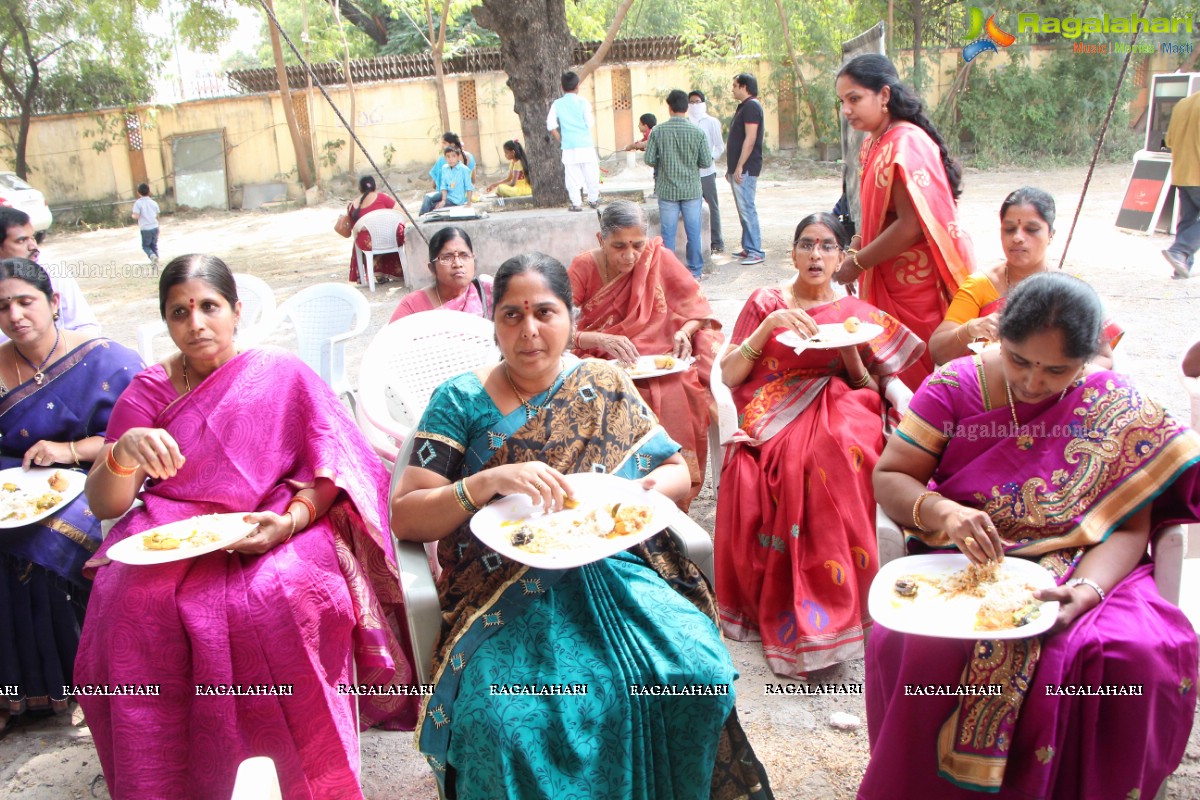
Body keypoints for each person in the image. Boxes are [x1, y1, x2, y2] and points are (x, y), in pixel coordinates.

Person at [391, 252, 773, 800]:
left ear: (571, 319)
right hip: (498, 588)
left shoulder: (603, 381)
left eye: (545, 312)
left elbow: (674, 474)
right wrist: (484, 482)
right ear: (493, 324)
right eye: (511, 316)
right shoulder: (459, 399)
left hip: (614, 568)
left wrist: (626, 496)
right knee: (507, 719)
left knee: (697, 674)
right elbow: (406, 513)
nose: (529, 331)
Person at [75, 255, 419, 799]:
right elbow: (103, 503)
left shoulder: (281, 374)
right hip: (173, 529)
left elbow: (335, 467)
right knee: (125, 603)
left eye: (209, 307)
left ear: (236, 312)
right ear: (167, 323)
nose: (197, 323)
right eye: (179, 312)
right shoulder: (147, 391)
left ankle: (305, 769)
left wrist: (288, 522)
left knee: (272, 599)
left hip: (281, 519)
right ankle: (164, 775)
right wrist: (121, 453)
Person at [860, 272, 1200, 799]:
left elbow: (1132, 522)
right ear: (998, 337)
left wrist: (1087, 591)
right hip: (970, 559)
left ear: (1088, 360)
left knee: (1136, 656)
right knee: (921, 649)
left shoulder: (1112, 402)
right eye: (1020, 360)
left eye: (1057, 370)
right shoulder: (956, 386)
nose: (1035, 383)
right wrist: (944, 511)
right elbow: (890, 476)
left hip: (1091, 561)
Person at [714, 213, 923, 678]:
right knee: (793, 459)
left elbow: (868, 384)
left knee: (837, 442)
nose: (815, 255)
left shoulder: (854, 313)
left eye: (827, 246)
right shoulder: (764, 300)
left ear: (842, 258)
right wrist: (768, 327)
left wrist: (849, 348)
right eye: (806, 244)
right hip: (772, 411)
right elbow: (730, 376)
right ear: (792, 252)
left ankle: (834, 607)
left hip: (842, 405)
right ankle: (803, 611)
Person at [0, 258, 142, 739]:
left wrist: (67, 450)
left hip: (97, 475)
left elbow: (137, 436)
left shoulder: (106, 358)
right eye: (3, 307)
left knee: (48, 545)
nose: (16, 315)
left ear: (54, 303)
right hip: (17, 484)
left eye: (26, 301)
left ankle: (77, 680)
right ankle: (16, 691)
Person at [833, 53, 975, 390]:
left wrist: (859, 262)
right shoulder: (874, 141)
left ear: (883, 95)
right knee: (889, 374)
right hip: (886, 275)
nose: (846, 110)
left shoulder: (905, 142)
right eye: (842, 101)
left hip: (913, 285)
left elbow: (909, 225)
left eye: (854, 99)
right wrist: (854, 246)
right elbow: (879, 216)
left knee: (914, 375)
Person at [568, 201, 723, 509]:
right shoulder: (583, 266)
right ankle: (614, 489)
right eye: (619, 246)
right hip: (601, 358)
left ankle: (671, 491)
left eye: (637, 245)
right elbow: (557, 326)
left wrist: (685, 332)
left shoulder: (658, 258)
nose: (630, 256)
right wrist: (597, 337)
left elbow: (698, 310)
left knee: (677, 389)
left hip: (659, 357)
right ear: (601, 241)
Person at [930, 187, 1120, 368]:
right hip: (991, 394)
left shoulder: (1072, 290)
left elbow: (1102, 356)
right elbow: (938, 351)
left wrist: (1059, 375)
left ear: (1051, 235)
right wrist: (970, 329)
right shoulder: (981, 285)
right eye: (1009, 229)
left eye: (1031, 229)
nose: (1018, 238)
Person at [0, 208, 99, 343]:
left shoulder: (53, 271)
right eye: (21, 240)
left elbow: (85, 325)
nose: (33, 246)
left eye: (33, 237)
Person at [644, 89, 713, 280]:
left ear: (669, 107)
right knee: (693, 233)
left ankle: (668, 275)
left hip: (667, 191)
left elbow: (649, 159)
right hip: (691, 190)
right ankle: (696, 272)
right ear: (686, 107)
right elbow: (706, 162)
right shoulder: (697, 132)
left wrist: (663, 159)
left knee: (667, 237)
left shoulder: (658, 131)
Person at [389, 226, 493, 321]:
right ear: (432, 268)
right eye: (447, 258)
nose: (457, 264)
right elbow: (392, 339)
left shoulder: (487, 290)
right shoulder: (412, 305)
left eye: (464, 255)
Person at [547, 71, 601, 211]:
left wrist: (561, 139)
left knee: (572, 177)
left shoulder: (557, 104)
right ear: (577, 86)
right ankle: (593, 200)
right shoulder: (583, 102)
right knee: (591, 174)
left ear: (561, 87)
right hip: (585, 145)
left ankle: (576, 204)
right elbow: (590, 123)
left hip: (568, 146)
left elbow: (551, 125)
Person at [726, 73, 765, 265]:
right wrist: (731, 168)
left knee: (747, 207)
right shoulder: (744, 107)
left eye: (735, 85)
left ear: (744, 86)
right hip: (739, 168)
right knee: (743, 208)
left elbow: (750, 139)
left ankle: (755, 250)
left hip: (747, 168)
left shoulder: (751, 106)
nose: (732, 89)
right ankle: (748, 246)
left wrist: (740, 165)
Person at [1163, 90, 1200, 279]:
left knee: (1188, 219)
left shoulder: (1182, 104)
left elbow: (1169, 141)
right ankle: (1180, 251)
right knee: (1189, 220)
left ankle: (1181, 266)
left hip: (1182, 172)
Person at [346, 174, 404, 284]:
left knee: (361, 239)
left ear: (359, 189)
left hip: (369, 243)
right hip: (390, 237)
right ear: (374, 186)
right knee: (391, 232)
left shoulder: (354, 204)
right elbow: (401, 213)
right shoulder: (383, 197)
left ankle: (375, 272)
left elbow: (353, 229)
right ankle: (384, 272)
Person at [689, 90, 726, 254]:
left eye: (698, 101)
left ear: (703, 103)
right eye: (691, 102)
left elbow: (719, 146)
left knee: (712, 206)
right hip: (690, 173)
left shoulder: (712, 122)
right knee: (693, 207)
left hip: (707, 172)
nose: (695, 105)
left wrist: (709, 158)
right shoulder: (686, 122)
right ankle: (698, 242)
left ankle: (716, 241)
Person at [420, 147, 474, 216]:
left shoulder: (464, 169)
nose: (450, 159)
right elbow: (443, 185)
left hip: (455, 199)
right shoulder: (445, 168)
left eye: (453, 156)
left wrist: (468, 204)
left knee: (433, 206)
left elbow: (469, 187)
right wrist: (443, 200)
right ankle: (420, 220)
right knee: (427, 197)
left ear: (458, 157)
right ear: (445, 158)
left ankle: (423, 219)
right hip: (445, 195)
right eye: (448, 157)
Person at [131, 183, 159, 266]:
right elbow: (157, 216)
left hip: (145, 228)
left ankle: (152, 255)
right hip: (155, 227)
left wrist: (132, 216)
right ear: (149, 191)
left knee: (146, 246)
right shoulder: (154, 203)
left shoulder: (138, 203)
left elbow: (136, 216)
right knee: (154, 245)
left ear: (138, 192)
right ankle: (156, 260)